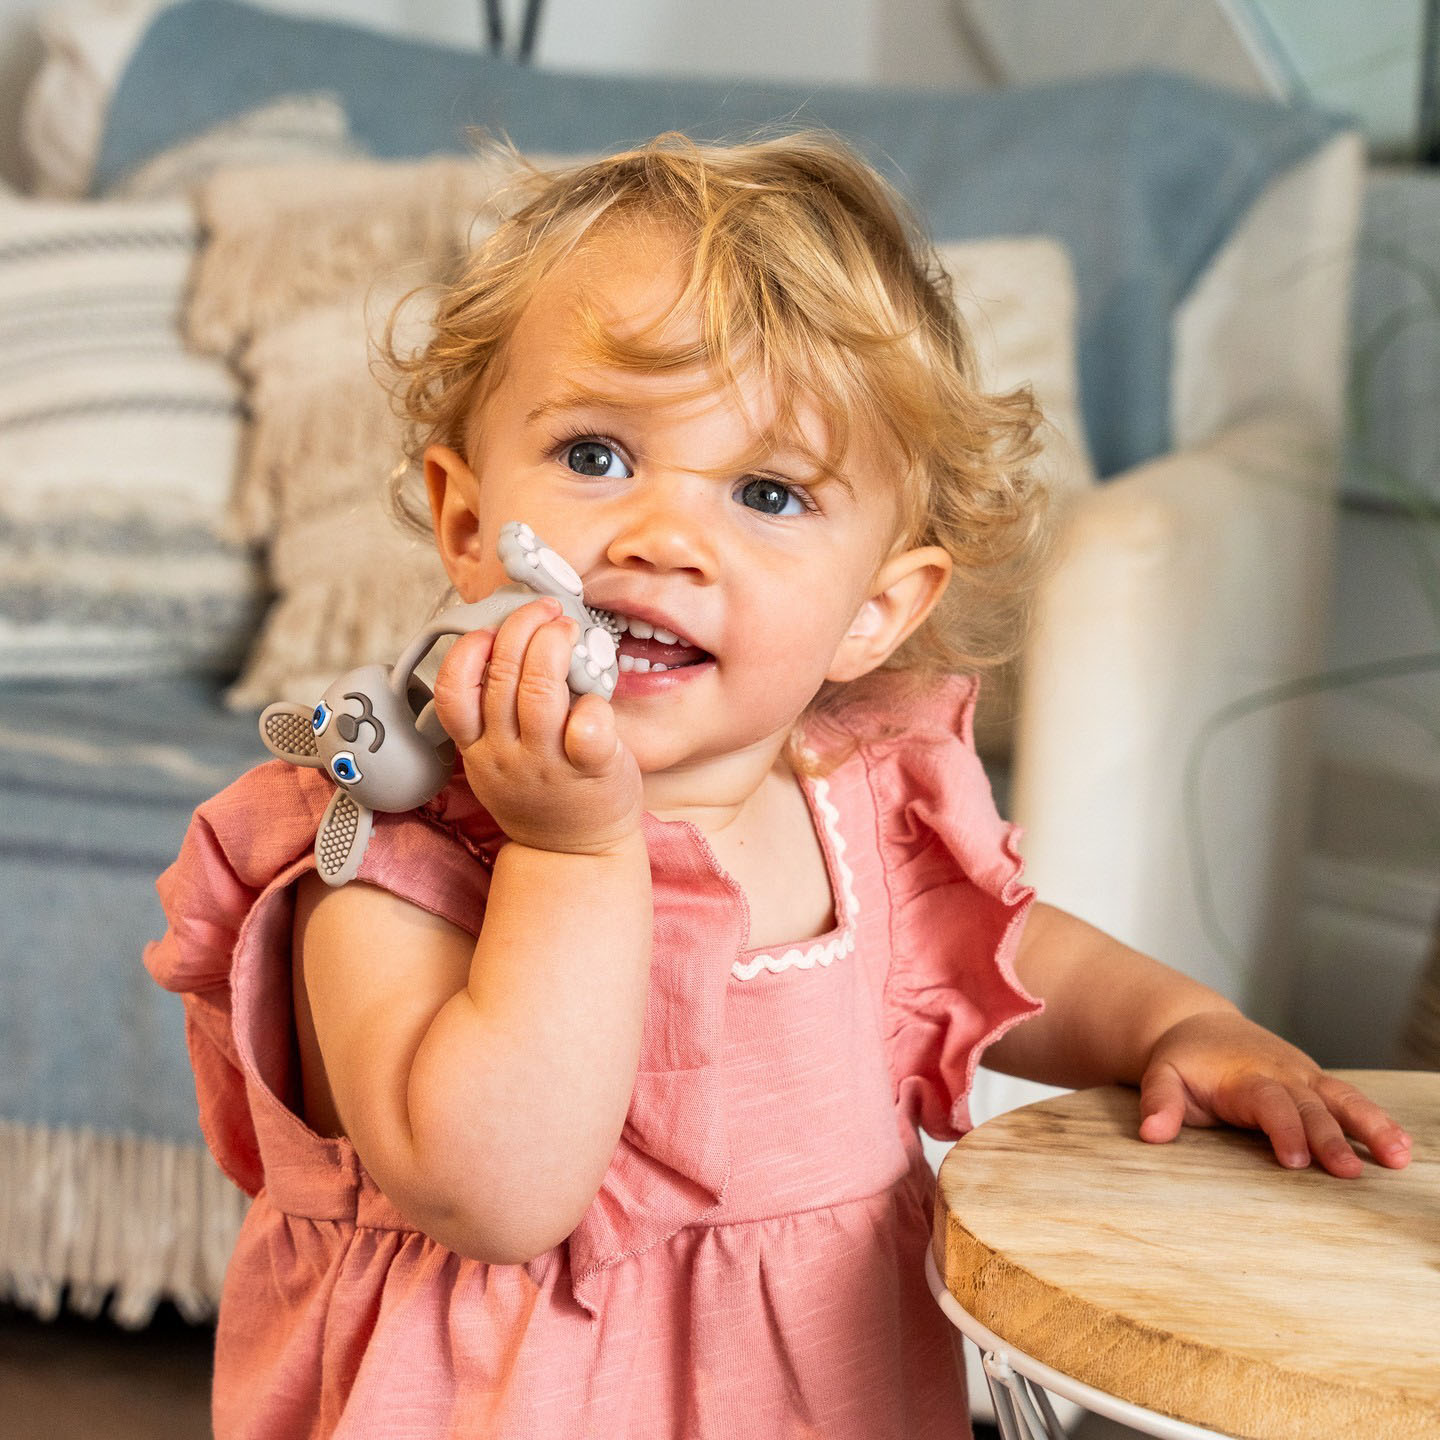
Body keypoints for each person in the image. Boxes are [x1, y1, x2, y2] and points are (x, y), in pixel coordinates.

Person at [146, 132, 1412, 1440]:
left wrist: (1180, 1026)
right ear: (467, 523)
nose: (663, 538)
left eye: (767, 491)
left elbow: (1014, 953)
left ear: (874, 613)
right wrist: (571, 853)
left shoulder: (854, 805)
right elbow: (497, 1192)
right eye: (595, 456)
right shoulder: (389, 854)